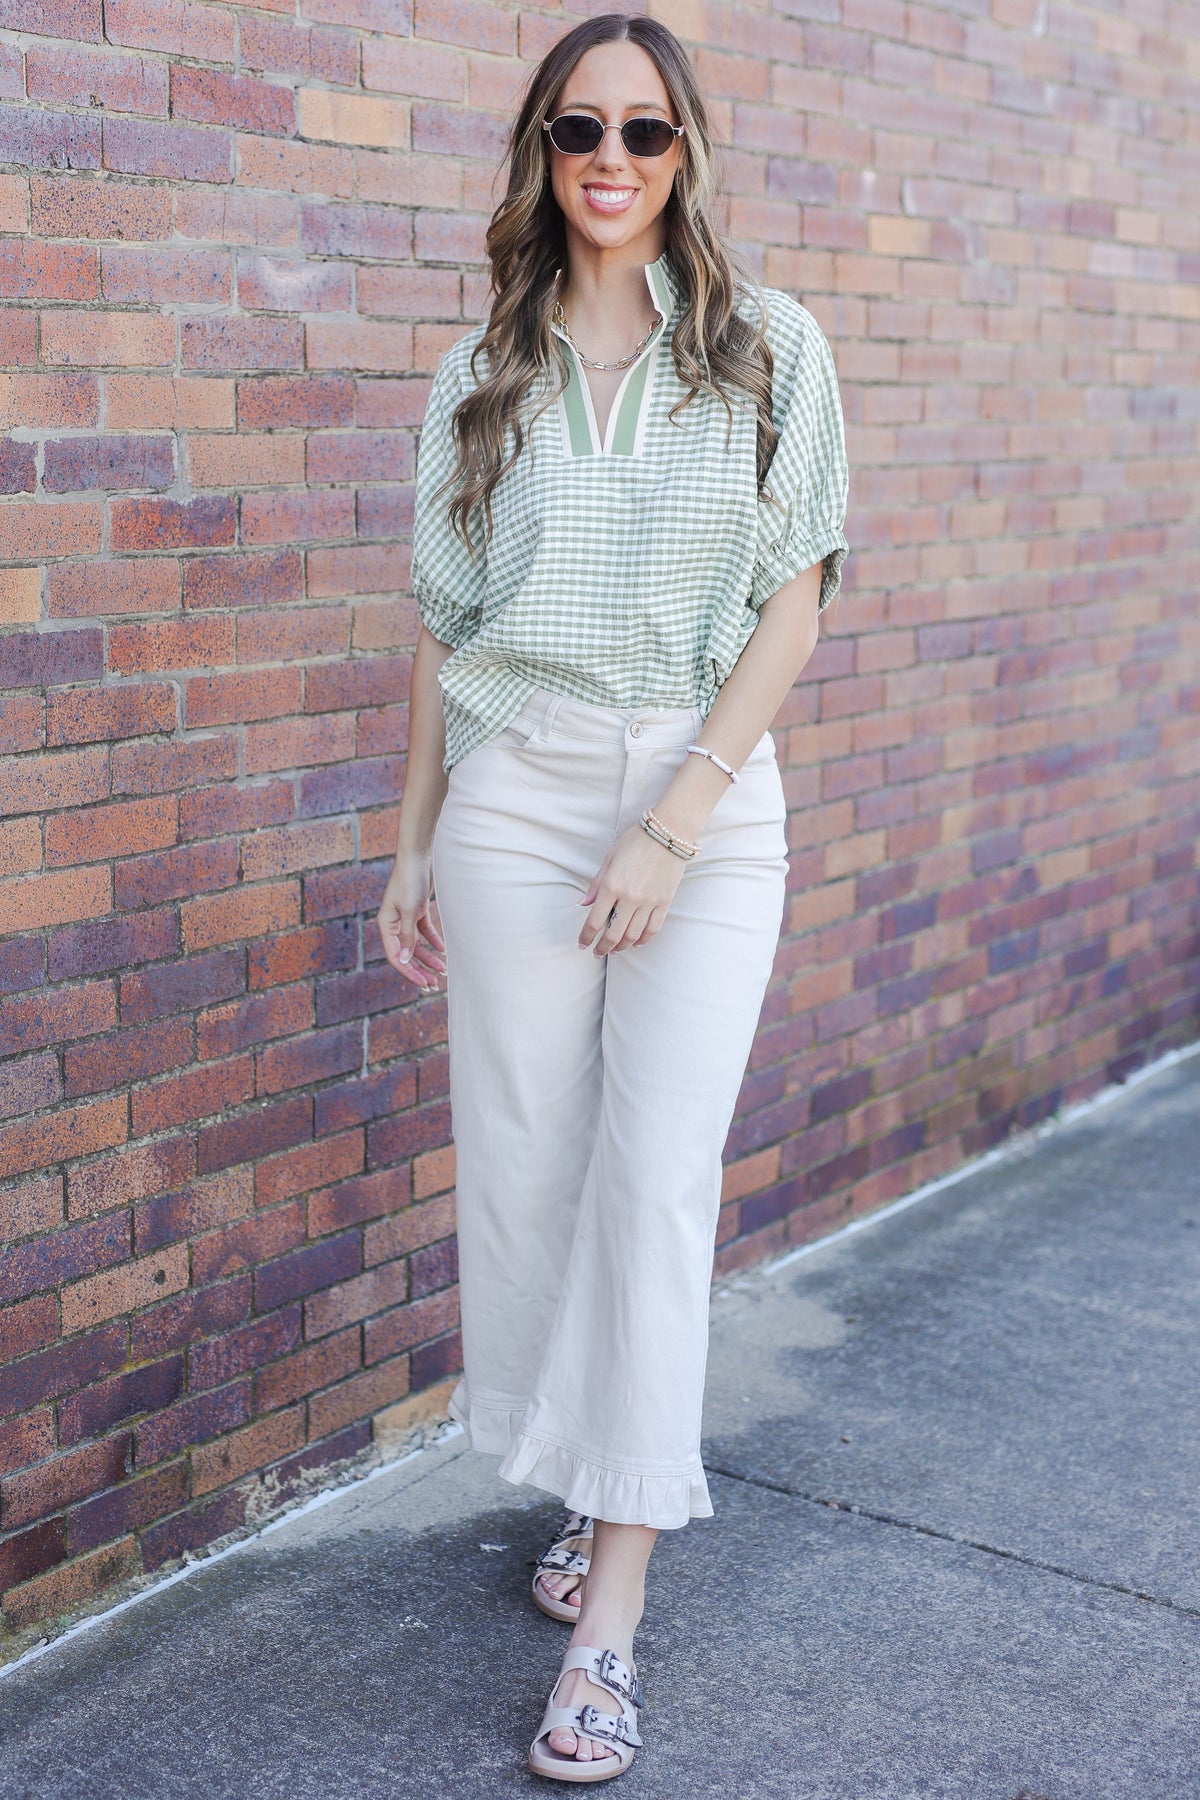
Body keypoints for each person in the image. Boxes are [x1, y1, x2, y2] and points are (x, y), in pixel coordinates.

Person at [375, 11, 849, 1784]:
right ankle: (585, 1486)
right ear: (540, 148)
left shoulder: (767, 349)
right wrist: (411, 834)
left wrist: (673, 822)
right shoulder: (475, 372)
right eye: (580, 127)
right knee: (528, 1176)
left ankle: (613, 1623)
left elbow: (796, 596)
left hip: (703, 802)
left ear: (687, 150)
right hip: (516, 789)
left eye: (646, 132)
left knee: (652, 1182)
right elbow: (441, 622)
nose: (612, 159)